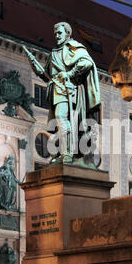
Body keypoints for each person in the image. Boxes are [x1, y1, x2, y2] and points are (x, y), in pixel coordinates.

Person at [30, 22, 100, 164]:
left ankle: (67, 153)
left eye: (59, 33)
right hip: (56, 91)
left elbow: (87, 62)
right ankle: (64, 152)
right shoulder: (53, 53)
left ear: (67, 33)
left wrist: (70, 73)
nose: (56, 36)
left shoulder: (74, 47)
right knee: (59, 121)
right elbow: (47, 76)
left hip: (69, 90)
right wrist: (35, 66)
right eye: (55, 33)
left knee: (61, 117)